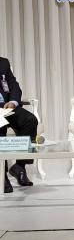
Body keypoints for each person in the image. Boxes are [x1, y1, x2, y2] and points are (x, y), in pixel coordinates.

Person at [0, 57, 38, 193]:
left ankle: (20, 166)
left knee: (30, 120)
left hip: (6, 107)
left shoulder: (3, 63)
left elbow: (14, 86)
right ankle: (1, 173)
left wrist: (13, 102)